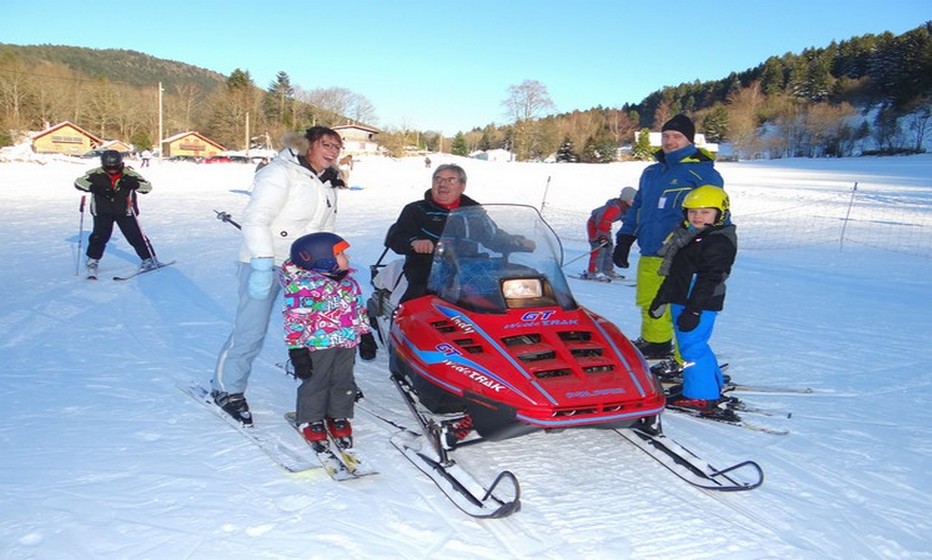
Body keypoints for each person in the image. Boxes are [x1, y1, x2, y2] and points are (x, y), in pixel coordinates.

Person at [211, 126, 344, 426]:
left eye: (337, 147)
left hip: (307, 266)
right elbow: (256, 219)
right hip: (266, 262)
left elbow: (327, 227)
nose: (333, 151)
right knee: (251, 329)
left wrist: (331, 259)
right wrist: (260, 262)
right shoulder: (280, 172)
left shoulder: (328, 182)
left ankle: (321, 383)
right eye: (327, 144)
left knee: (319, 328)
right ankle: (227, 389)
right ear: (308, 145)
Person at [614, 114, 724, 359]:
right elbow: (639, 206)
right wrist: (625, 237)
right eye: (666, 136)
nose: (670, 141)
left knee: (677, 304)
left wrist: (706, 247)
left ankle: (683, 357)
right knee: (649, 301)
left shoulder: (702, 173)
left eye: (677, 136)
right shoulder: (651, 172)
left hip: (682, 252)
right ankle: (656, 343)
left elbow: (716, 213)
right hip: (650, 249)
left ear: (690, 140)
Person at [385, 163, 533, 303]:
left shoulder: (474, 212)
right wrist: (415, 242)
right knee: (419, 295)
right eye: (438, 179)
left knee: (522, 283)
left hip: (471, 264)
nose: (443, 184)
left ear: (462, 186)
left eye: (451, 180)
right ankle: (403, 326)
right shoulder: (417, 210)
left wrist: (517, 241)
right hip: (429, 265)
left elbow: (493, 236)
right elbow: (397, 236)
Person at [281, 232, 376, 449]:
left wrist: (365, 334)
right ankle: (311, 419)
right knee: (316, 382)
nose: (347, 257)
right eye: (341, 253)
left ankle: (338, 415)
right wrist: (297, 349)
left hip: (346, 343)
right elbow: (295, 319)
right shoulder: (304, 287)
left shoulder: (349, 283)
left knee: (343, 380)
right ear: (322, 259)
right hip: (317, 345)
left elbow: (358, 311)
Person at [648, 186, 736, 411]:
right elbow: (677, 274)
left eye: (705, 212)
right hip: (683, 300)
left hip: (699, 302)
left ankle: (701, 395)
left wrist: (694, 310)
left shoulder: (718, 241)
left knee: (692, 349)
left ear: (720, 214)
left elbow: (710, 279)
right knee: (692, 344)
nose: (697, 217)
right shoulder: (691, 237)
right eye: (692, 212)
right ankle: (707, 383)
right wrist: (661, 298)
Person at [74, 150, 158, 278]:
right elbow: (78, 182)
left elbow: (147, 187)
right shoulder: (95, 174)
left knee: (136, 236)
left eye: (115, 167)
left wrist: (134, 184)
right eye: (109, 167)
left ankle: (149, 258)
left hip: (126, 212)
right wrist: (96, 188)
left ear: (120, 164)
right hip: (102, 212)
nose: (112, 170)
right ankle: (92, 260)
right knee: (99, 237)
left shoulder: (130, 174)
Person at [583, 186, 637, 281]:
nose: (634, 201)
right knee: (600, 248)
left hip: (605, 228)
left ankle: (607, 270)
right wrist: (602, 236)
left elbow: (626, 220)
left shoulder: (625, 208)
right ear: (626, 198)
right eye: (632, 199)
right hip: (595, 226)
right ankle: (594, 272)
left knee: (608, 248)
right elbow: (603, 221)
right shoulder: (615, 208)